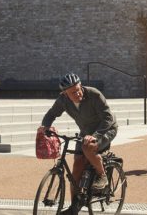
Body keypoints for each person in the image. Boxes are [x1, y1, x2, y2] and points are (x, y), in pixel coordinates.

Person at [38, 72, 118, 205]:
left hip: (106, 129)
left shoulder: (94, 94)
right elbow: (52, 113)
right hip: (85, 132)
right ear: (65, 94)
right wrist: (45, 126)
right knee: (76, 168)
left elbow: (108, 118)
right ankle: (74, 206)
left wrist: (95, 136)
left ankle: (102, 176)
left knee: (88, 148)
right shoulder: (63, 100)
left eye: (79, 89)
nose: (78, 94)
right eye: (73, 92)